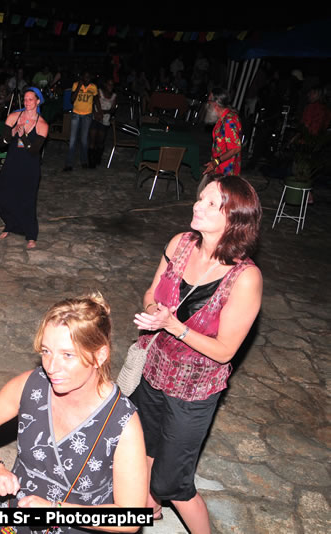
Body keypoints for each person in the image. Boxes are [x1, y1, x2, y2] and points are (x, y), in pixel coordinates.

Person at [131, 174, 263, 534]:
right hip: (154, 369)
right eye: (199, 198)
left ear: (233, 219)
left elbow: (225, 351)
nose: (197, 205)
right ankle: (150, 511)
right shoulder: (180, 244)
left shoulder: (245, 278)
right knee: (144, 450)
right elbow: (151, 292)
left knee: (173, 483)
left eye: (210, 204)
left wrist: (174, 325)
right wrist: (154, 311)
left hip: (195, 390)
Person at [0, 294, 147, 534]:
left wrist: (55, 509)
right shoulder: (31, 385)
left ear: (100, 355)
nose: (51, 367)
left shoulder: (123, 424)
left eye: (68, 355)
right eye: (46, 351)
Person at [0, 88, 48, 249]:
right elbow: (1, 143)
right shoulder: (14, 116)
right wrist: (13, 131)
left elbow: (33, 151)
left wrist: (24, 136)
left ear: (38, 101)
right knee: (3, 197)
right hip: (12, 162)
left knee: (27, 200)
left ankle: (31, 235)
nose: (26, 102)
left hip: (29, 167)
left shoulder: (42, 124)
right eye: (25, 99)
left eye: (30, 99)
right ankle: (10, 224)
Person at [203, 89, 242, 177]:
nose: (207, 105)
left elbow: (236, 148)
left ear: (215, 104)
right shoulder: (223, 118)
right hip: (219, 169)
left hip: (226, 172)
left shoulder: (228, 121)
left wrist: (216, 162)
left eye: (209, 101)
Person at [65, 71, 98, 171]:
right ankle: (69, 164)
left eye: (88, 77)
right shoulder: (76, 84)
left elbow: (96, 100)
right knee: (72, 140)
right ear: (82, 77)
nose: (87, 79)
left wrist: (98, 111)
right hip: (76, 114)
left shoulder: (93, 87)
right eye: (85, 77)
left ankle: (84, 161)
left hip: (87, 115)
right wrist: (79, 86)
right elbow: (72, 99)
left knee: (84, 139)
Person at [89, 79, 117, 168]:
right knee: (92, 140)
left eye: (112, 85)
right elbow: (93, 103)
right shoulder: (99, 92)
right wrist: (95, 113)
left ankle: (98, 158)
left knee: (100, 141)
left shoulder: (114, 96)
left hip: (105, 120)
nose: (110, 87)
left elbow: (113, 109)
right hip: (95, 118)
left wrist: (104, 112)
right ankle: (91, 161)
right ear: (105, 85)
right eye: (109, 84)